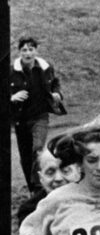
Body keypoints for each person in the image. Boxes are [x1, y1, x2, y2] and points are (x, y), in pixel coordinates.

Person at [10, 35, 65, 194]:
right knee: (26, 156)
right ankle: (32, 189)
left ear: (36, 50)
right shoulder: (11, 70)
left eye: (31, 49)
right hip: (20, 120)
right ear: (19, 52)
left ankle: (40, 187)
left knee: (38, 149)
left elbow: (55, 84)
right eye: (24, 50)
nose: (27, 53)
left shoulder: (46, 67)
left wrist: (57, 94)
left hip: (40, 116)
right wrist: (11, 97)